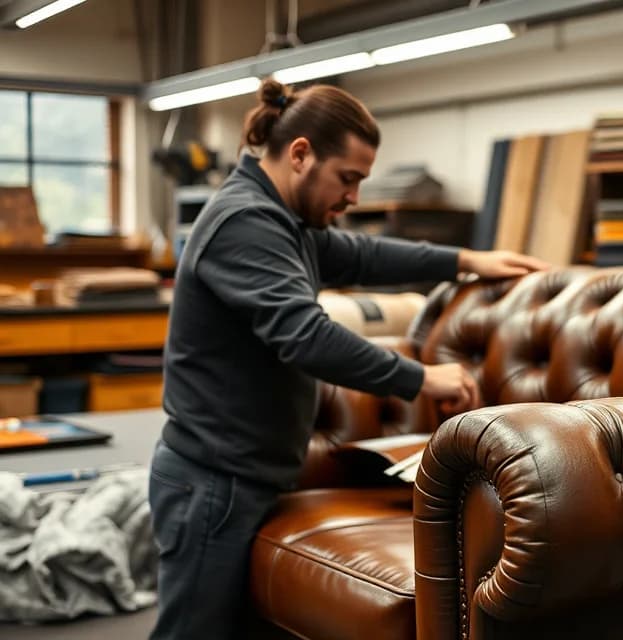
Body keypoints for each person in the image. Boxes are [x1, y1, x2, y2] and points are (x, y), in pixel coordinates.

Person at [148, 78, 547, 640]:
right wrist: (421, 377)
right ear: (301, 154)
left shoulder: (287, 223)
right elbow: (305, 336)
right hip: (215, 481)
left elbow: (364, 254)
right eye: (349, 178)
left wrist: (466, 258)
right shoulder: (246, 223)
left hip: (247, 474)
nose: (355, 197)